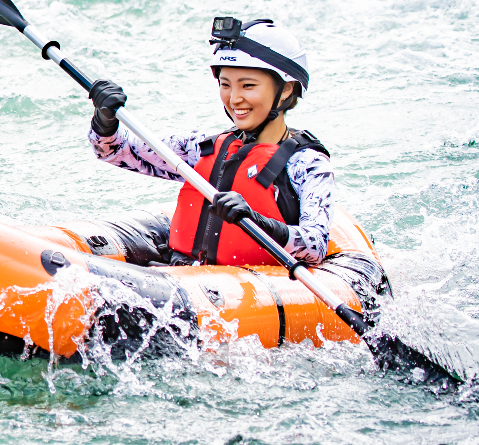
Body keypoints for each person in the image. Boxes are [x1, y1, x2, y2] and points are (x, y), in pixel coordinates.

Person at [86, 18, 333, 267]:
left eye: (248, 86)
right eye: (225, 85)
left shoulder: (307, 164)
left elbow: (315, 246)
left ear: (287, 89)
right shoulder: (202, 148)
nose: (234, 98)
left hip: (250, 292)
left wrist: (255, 220)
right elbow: (116, 151)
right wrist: (105, 120)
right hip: (181, 277)